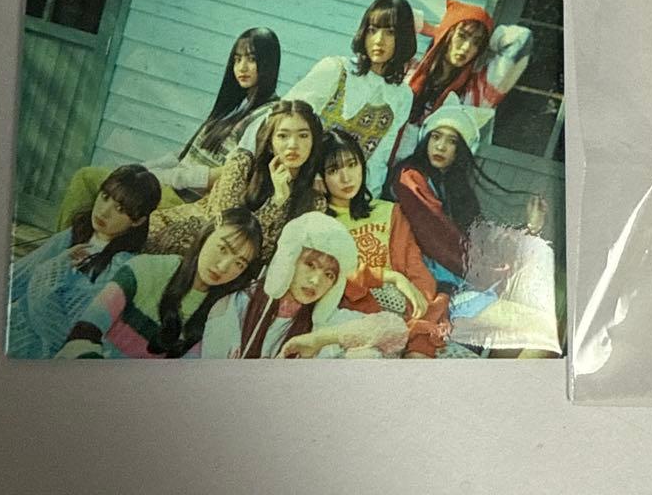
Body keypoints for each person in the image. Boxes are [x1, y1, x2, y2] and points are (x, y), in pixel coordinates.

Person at [55, 28, 281, 229]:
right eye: (237, 59)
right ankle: (73, 250)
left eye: (251, 59)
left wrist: (162, 178)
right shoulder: (235, 105)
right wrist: (143, 169)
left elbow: (226, 174)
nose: (242, 67)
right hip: (171, 185)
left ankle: (62, 252)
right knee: (95, 182)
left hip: (183, 199)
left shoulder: (264, 115)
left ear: (268, 64)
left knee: (87, 179)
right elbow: (184, 156)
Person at [389, 95, 560, 356]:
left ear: (461, 150)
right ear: (425, 139)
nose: (441, 146)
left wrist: (530, 228)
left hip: (455, 281)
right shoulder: (410, 176)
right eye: (436, 137)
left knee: (544, 329)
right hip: (429, 281)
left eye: (452, 141)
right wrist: (488, 269)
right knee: (542, 330)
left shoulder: (454, 185)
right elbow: (437, 236)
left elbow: (479, 232)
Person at [262, 0, 416, 197]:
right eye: (372, 30)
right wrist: (307, 172)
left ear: (403, 38)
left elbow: (379, 157)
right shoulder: (336, 69)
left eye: (390, 32)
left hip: (345, 193)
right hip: (301, 180)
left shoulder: (403, 96)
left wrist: (367, 198)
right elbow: (281, 118)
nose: (379, 40)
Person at [56, 209, 263, 359]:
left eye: (239, 263)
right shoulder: (146, 268)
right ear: (206, 236)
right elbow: (85, 331)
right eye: (223, 248)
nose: (224, 266)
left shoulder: (220, 313)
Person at [201, 211, 408, 359]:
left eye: (329, 275)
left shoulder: (325, 319)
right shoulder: (235, 305)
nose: (316, 281)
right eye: (310, 264)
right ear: (289, 259)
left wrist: (319, 339)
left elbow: (397, 331)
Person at [8, 165, 163, 358]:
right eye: (104, 197)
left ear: (137, 221)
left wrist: (48, 273)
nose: (104, 212)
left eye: (120, 209)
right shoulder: (75, 234)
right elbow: (16, 278)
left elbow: (65, 334)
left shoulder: (120, 267)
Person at [319, 130, 449, 358]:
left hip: (406, 317)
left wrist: (418, 334)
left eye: (352, 164)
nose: (346, 178)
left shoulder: (390, 212)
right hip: (353, 322)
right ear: (320, 178)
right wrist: (392, 277)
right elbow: (335, 279)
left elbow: (416, 270)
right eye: (333, 170)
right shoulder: (320, 224)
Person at [145, 99, 326, 261]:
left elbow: (264, 255)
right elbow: (226, 232)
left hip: (228, 269)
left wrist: (280, 198)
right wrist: (276, 202)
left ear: (313, 142)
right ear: (270, 143)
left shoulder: (314, 202)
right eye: (283, 136)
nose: (293, 144)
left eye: (303, 135)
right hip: (177, 237)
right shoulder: (242, 165)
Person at [380, 0, 533, 175]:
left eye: (477, 43)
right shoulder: (407, 71)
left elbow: (521, 39)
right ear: (448, 34)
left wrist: (490, 37)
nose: (467, 47)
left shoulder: (473, 93)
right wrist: (436, 30)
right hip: (374, 170)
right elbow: (390, 16)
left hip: (418, 182)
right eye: (462, 36)